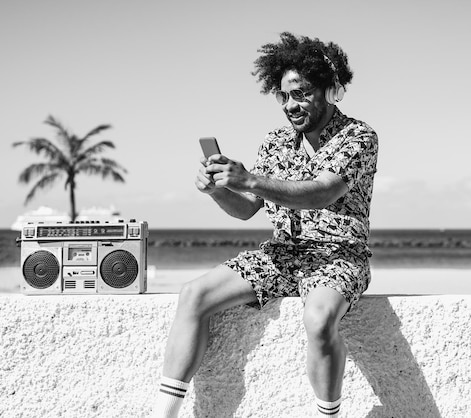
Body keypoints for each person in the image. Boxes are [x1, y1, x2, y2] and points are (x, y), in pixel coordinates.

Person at [151, 32, 378, 418]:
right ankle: (163, 414)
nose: (291, 104)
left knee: (319, 319)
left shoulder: (358, 136)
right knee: (193, 295)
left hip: (339, 255)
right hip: (280, 255)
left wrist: (250, 179)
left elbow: (321, 192)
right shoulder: (275, 142)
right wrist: (218, 189)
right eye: (284, 95)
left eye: (302, 93)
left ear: (331, 90)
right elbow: (245, 210)